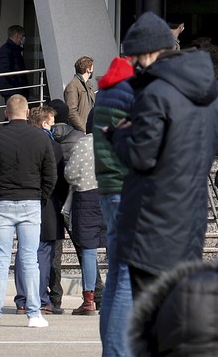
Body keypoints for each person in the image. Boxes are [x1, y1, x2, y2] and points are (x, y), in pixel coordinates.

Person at [110, 12, 218, 295]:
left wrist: (119, 134)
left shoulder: (155, 94)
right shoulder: (209, 97)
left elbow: (142, 157)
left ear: (147, 53)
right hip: (190, 221)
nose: (133, 65)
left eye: (134, 57)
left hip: (152, 223)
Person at [0, 93, 55, 328]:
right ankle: (34, 314)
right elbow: (50, 173)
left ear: (6, 113)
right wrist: (41, 198)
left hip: (2, 202)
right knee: (30, 260)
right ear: (28, 113)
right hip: (30, 201)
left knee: (0, 260)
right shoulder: (41, 138)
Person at [91, 56, 137, 357]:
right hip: (125, 186)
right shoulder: (130, 92)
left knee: (116, 275)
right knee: (127, 276)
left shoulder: (105, 93)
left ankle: (112, 348)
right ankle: (118, 351)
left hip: (108, 187)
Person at [55, 107, 105, 315]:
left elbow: (70, 173)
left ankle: (88, 300)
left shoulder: (85, 143)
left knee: (88, 249)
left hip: (86, 198)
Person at [29, 105, 68, 314]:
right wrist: (58, 201)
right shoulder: (53, 147)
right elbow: (60, 180)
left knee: (26, 252)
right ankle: (44, 299)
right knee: (45, 253)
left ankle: (23, 298)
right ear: (44, 123)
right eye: (52, 123)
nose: (54, 127)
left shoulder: (24, 142)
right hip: (49, 205)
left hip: (25, 202)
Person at [64, 56, 96, 132]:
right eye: (92, 67)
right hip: (80, 132)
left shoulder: (89, 86)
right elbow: (71, 111)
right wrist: (84, 130)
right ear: (88, 69)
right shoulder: (73, 86)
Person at [0, 24, 29, 98]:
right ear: (17, 35)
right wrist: (17, 88)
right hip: (13, 91)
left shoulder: (13, 50)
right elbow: (6, 71)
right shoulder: (7, 50)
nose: (23, 39)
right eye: (22, 36)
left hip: (16, 91)